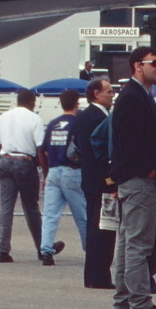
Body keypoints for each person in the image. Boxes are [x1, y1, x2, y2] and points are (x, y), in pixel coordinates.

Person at [109, 46, 156, 309]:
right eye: (154, 63)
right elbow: (128, 141)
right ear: (137, 65)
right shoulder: (132, 98)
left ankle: (124, 299)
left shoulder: (139, 96)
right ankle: (139, 302)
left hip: (136, 180)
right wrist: (146, 170)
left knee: (128, 242)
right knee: (138, 244)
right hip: (139, 182)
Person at [70, 77, 116, 289]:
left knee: (95, 227)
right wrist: (111, 180)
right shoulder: (97, 117)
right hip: (101, 181)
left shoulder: (83, 116)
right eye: (108, 91)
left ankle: (94, 275)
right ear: (96, 94)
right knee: (103, 229)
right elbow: (102, 152)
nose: (112, 94)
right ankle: (99, 276)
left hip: (90, 179)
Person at [0, 89, 47, 263]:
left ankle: (2, 250)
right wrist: (46, 173)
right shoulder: (34, 118)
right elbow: (40, 149)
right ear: (30, 101)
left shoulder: (4, 116)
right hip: (24, 161)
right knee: (31, 207)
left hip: (6, 160)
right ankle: (42, 248)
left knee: (6, 206)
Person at [38, 89, 86, 265]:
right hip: (72, 170)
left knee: (50, 215)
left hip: (53, 170)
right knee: (82, 215)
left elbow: (42, 150)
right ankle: (90, 250)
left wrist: (46, 173)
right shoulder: (78, 123)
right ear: (76, 103)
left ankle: (46, 251)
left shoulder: (53, 123)